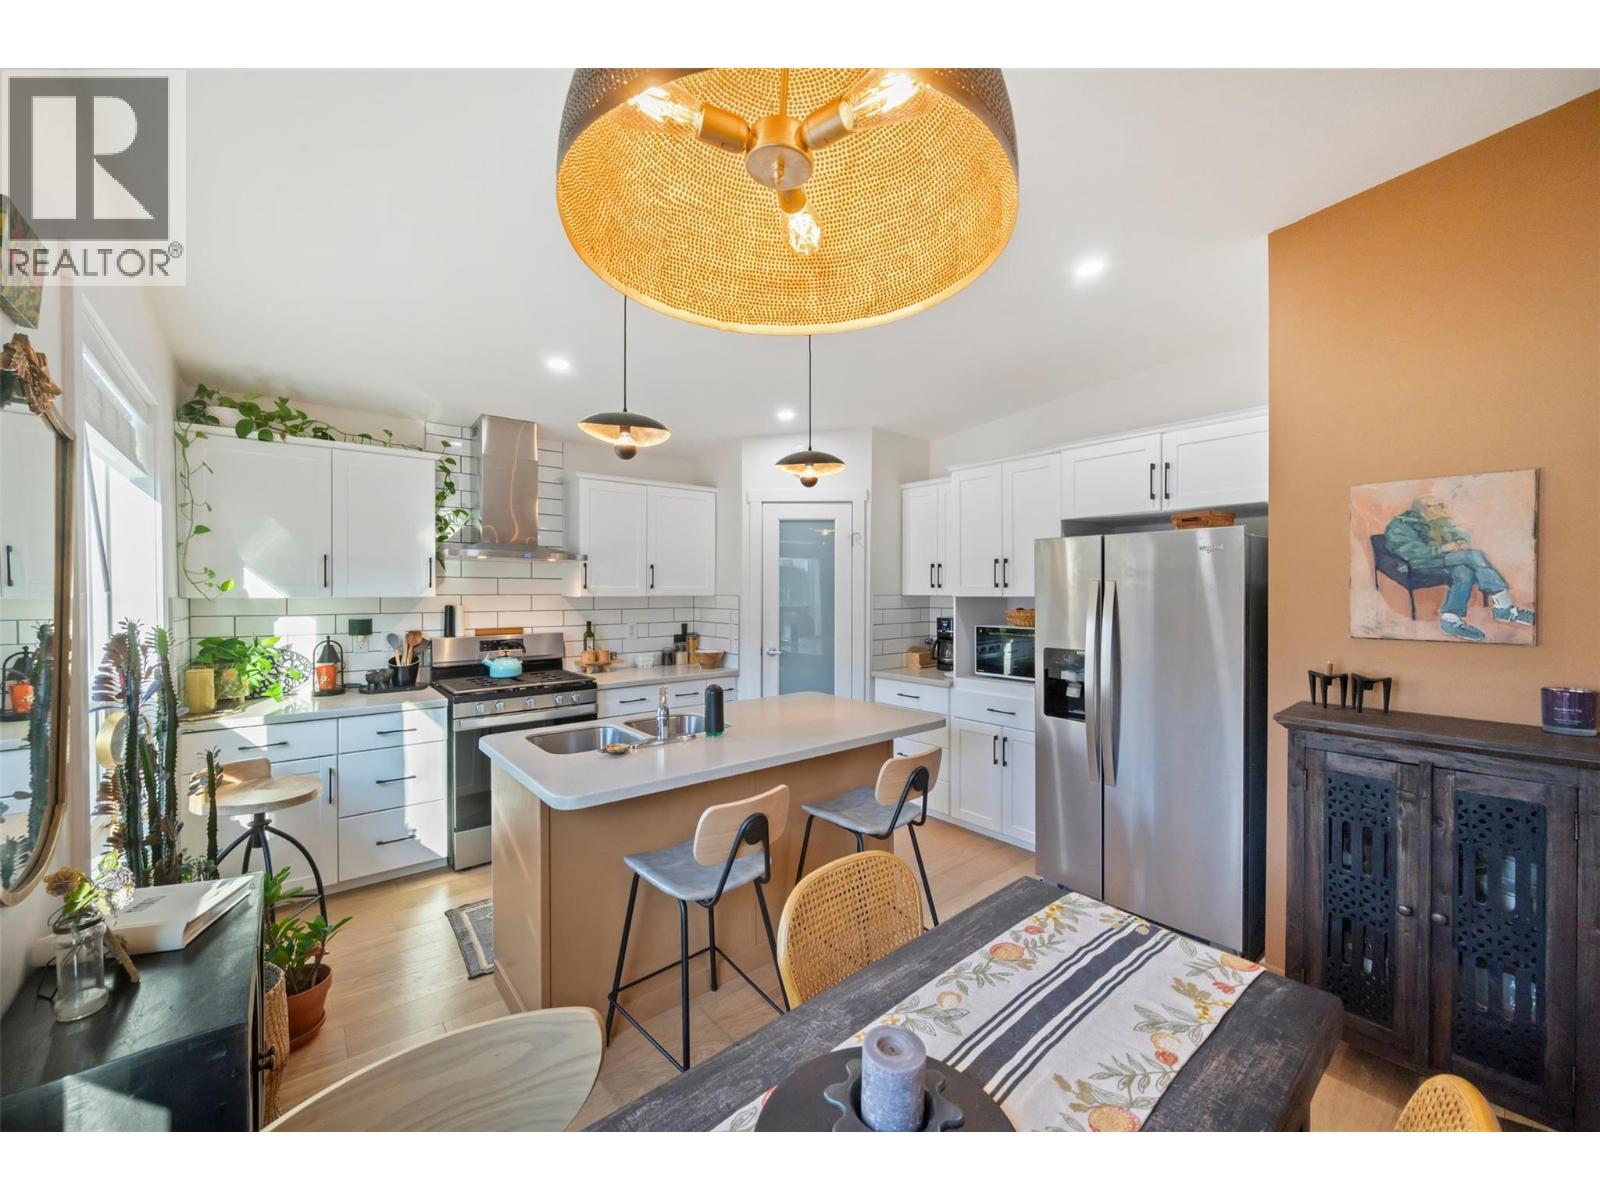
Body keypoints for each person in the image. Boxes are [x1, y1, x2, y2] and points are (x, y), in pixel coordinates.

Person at [1383, 495, 1535, 641]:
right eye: (1438, 506)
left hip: (1441, 560)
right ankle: (1504, 607)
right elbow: (1411, 553)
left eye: (1441, 505)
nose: (1442, 508)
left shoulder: (1438, 520)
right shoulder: (1400, 525)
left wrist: (1461, 541)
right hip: (1417, 563)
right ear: (1423, 509)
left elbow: (1457, 533)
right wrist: (1444, 548)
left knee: (1464, 572)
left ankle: (1450, 619)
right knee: (1474, 556)